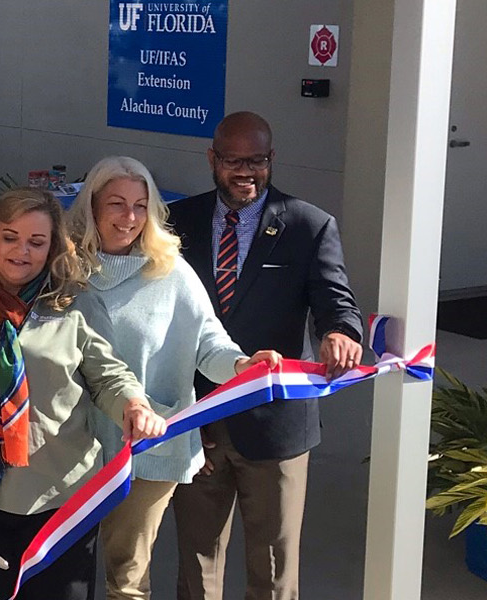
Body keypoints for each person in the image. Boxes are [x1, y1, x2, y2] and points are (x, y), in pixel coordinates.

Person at [65, 156, 282, 600]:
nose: (129, 217)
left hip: (146, 449)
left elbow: (209, 345)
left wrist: (243, 366)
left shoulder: (172, 272)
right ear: (91, 206)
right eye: (117, 204)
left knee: (125, 577)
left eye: (141, 205)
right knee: (66, 571)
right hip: (70, 449)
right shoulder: (64, 272)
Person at [0, 187, 166, 600]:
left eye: (36, 242)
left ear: (53, 247)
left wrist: (133, 403)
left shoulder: (77, 304)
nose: (21, 251)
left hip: (60, 497)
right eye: (10, 237)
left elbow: (108, 375)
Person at [169, 111, 364, 600]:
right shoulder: (176, 224)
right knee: (196, 565)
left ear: (271, 159)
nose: (245, 171)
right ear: (212, 159)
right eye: (233, 160)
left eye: (256, 160)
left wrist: (341, 332)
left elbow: (335, 300)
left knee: (275, 572)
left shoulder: (308, 224)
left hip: (276, 427)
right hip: (198, 420)